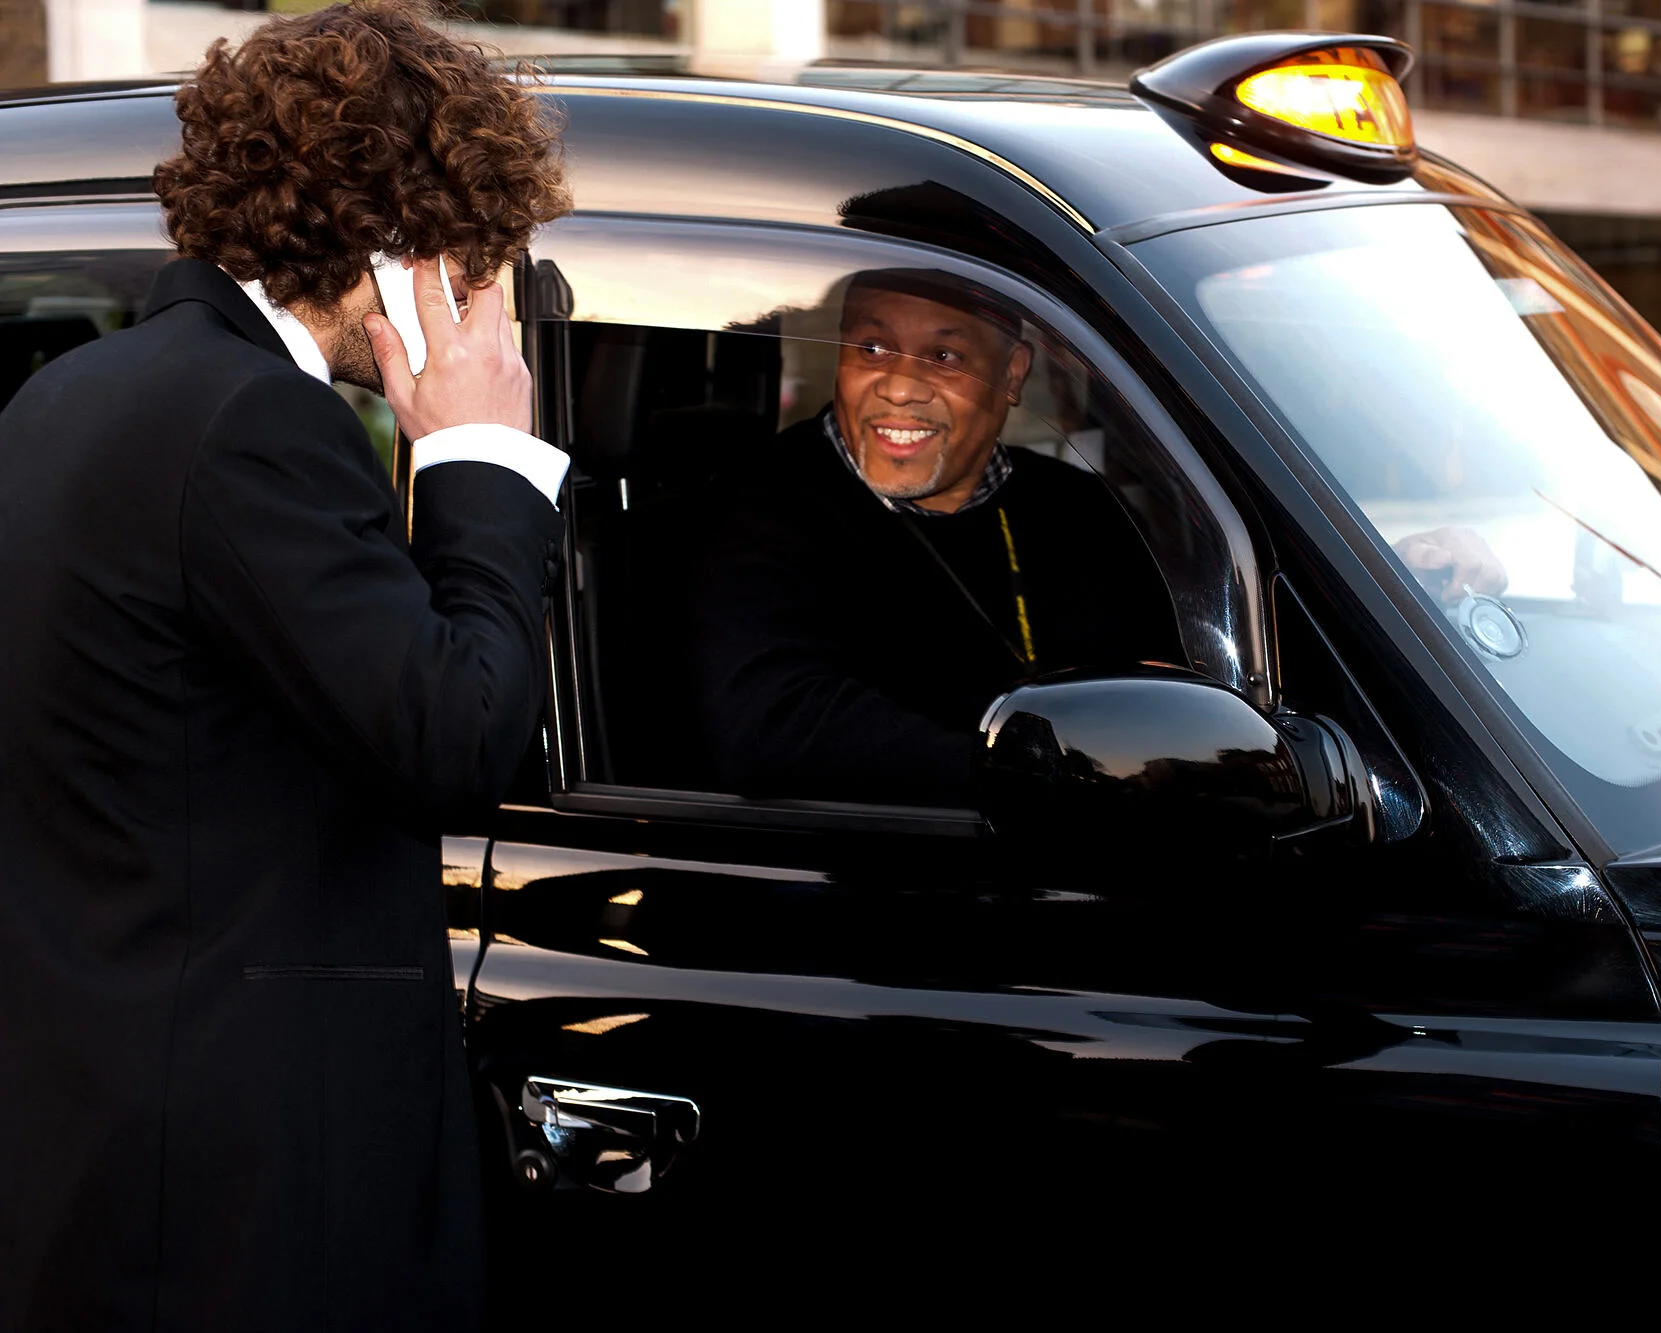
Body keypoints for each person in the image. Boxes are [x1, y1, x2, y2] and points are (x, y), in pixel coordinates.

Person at [0, 4, 569, 1329]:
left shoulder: (73, 395)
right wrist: (482, 456)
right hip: (232, 1204)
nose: (484, 290)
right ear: (403, 246)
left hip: (111, 1148)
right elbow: (459, 736)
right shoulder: (255, 423)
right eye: (473, 251)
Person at [690, 270, 1183, 805]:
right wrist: (1042, 770)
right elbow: (770, 733)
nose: (900, 388)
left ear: (1012, 374)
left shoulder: (1082, 509)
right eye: (872, 348)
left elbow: (1169, 699)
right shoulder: (761, 502)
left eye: (944, 357)